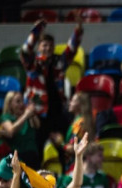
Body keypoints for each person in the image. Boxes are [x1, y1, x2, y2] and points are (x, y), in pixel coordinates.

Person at [20, 19, 83, 149]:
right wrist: (36, 31)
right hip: (39, 114)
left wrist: (78, 31)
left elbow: (71, 51)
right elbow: (26, 50)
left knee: (61, 146)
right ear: (39, 47)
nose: (48, 48)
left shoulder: (58, 62)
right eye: (44, 45)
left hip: (57, 111)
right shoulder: (33, 64)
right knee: (39, 148)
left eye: (50, 45)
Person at [52, 92, 95, 173]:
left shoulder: (79, 124)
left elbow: (73, 149)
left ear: (80, 105)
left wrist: (60, 142)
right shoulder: (78, 121)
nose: (70, 103)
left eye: (73, 101)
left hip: (75, 166)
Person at [0, 91, 40, 170]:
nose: (21, 104)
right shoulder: (6, 117)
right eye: (18, 101)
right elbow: (11, 130)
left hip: (32, 156)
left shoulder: (28, 115)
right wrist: (26, 115)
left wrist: (31, 112)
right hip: (17, 156)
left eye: (22, 101)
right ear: (10, 104)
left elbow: (37, 125)